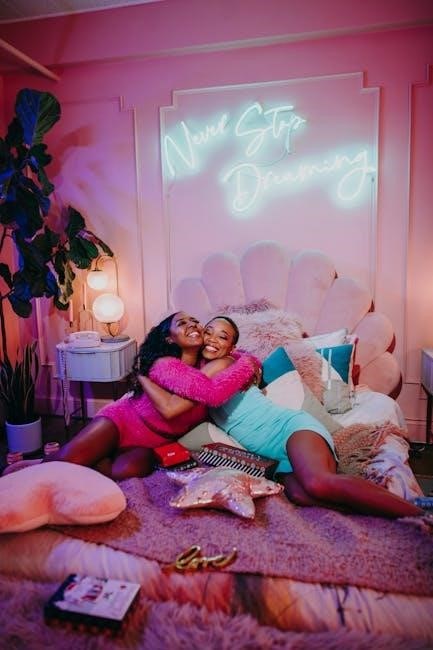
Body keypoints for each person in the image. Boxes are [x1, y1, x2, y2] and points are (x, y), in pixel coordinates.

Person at [140, 315, 424, 518]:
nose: (213, 339)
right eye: (209, 332)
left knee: (318, 482)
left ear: (231, 348)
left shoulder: (225, 363)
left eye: (223, 337)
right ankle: (374, 508)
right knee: (300, 495)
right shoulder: (201, 371)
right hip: (273, 457)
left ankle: (417, 513)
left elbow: (187, 391)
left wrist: (144, 373)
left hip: (290, 428)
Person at [2, 312, 258, 480]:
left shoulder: (207, 369)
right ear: (169, 338)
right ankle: (28, 472)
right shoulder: (164, 365)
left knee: (126, 471)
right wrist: (143, 374)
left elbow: (226, 367)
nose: (194, 326)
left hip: (150, 442)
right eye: (182, 323)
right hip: (123, 421)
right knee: (64, 464)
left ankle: (77, 456)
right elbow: (173, 408)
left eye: (195, 321)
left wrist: (247, 361)